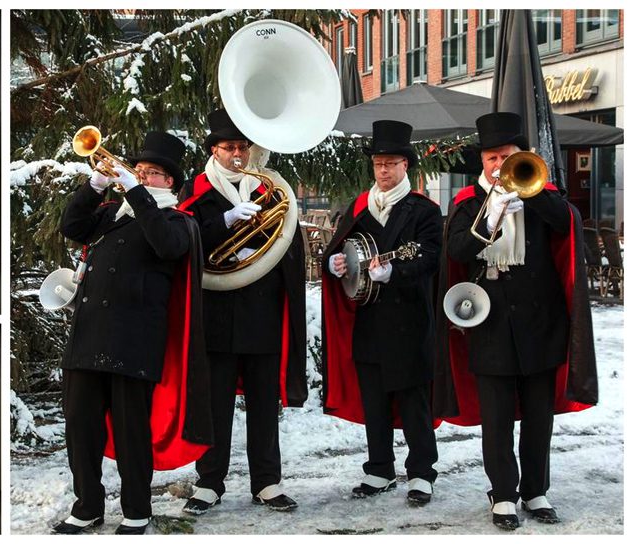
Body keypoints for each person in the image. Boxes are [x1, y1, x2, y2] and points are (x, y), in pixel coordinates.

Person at [435, 112, 598, 530]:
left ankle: (536, 490)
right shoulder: (468, 203)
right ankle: (503, 493)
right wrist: (488, 221)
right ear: (483, 162)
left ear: (520, 157)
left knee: (540, 416)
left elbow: (569, 224)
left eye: (505, 156)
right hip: (490, 327)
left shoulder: (541, 193)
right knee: (497, 417)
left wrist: (536, 194)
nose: (498, 166)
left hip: (541, 325)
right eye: (491, 158)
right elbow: (454, 252)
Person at [53, 131, 212, 535]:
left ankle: (136, 510)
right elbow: (72, 225)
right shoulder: (110, 213)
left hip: (133, 343)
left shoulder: (178, 221)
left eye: (152, 173)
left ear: (169, 182)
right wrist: (95, 186)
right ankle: (87, 506)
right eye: (139, 170)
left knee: (130, 432)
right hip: (88, 337)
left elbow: (167, 246)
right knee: (80, 425)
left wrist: (136, 191)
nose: (142, 177)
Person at [178, 109, 306, 515]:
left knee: (265, 404)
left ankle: (266, 482)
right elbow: (184, 238)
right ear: (214, 150)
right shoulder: (196, 190)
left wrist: (259, 247)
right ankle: (209, 482)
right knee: (214, 404)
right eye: (229, 147)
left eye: (242, 147)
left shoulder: (268, 189)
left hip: (262, 312)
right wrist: (225, 222)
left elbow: (287, 239)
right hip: (216, 313)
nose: (237, 154)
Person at [322, 120, 441, 505]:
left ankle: (421, 472)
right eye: (378, 164)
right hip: (370, 322)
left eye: (391, 163)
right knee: (373, 401)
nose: (384, 171)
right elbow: (334, 251)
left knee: (413, 401)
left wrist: (396, 271)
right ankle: (379, 469)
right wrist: (335, 264)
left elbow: (430, 256)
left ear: (406, 165)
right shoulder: (359, 208)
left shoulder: (423, 210)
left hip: (409, 321)